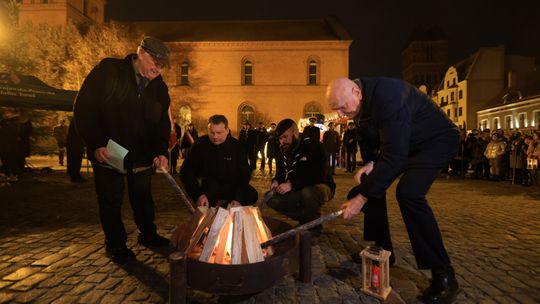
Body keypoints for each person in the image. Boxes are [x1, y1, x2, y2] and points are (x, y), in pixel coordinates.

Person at [326, 77, 460, 303]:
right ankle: (384, 249)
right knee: (371, 180)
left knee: (408, 193)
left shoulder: (388, 97)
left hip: (436, 141)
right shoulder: (358, 106)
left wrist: (361, 198)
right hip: (407, 145)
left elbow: (394, 158)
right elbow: (365, 138)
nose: (340, 114)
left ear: (356, 92)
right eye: (336, 109)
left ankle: (444, 275)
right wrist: (369, 163)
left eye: (342, 107)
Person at [74, 36, 172, 263]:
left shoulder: (159, 87)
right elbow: (84, 107)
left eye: (162, 64)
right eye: (155, 61)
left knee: (143, 198)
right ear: (141, 54)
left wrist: (161, 151)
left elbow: (161, 124)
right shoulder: (109, 70)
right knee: (110, 199)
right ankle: (116, 244)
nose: (158, 68)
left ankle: (148, 234)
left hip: (142, 154)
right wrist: (95, 142)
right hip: (109, 150)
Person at [266, 118, 335, 237]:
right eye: (280, 138)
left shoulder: (312, 145)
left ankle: (313, 228)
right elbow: (281, 174)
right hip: (297, 188)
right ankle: (307, 221)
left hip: (320, 186)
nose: (283, 141)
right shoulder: (282, 152)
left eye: (285, 137)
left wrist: (291, 184)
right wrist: (276, 181)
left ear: (295, 133)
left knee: (308, 193)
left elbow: (318, 175)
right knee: (270, 198)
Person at [180, 114, 258, 207]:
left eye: (219, 133)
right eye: (212, 132)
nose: (215, 137)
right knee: (209, 192)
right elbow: (186, 171)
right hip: (210, 186)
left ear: (227, 131)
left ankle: (225, 208)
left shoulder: (237, 147)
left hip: (233, 185)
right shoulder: (200, 145)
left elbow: (244, 175)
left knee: (252, 194)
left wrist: (238, 199)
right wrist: (198, 195)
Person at [66, 117, 86, 183]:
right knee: (76, 159)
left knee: (74, 159)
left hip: (74, 142)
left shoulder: (76, 119)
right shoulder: (77, 119)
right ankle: (75, 176)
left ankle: (73, 174)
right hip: (75, 142)